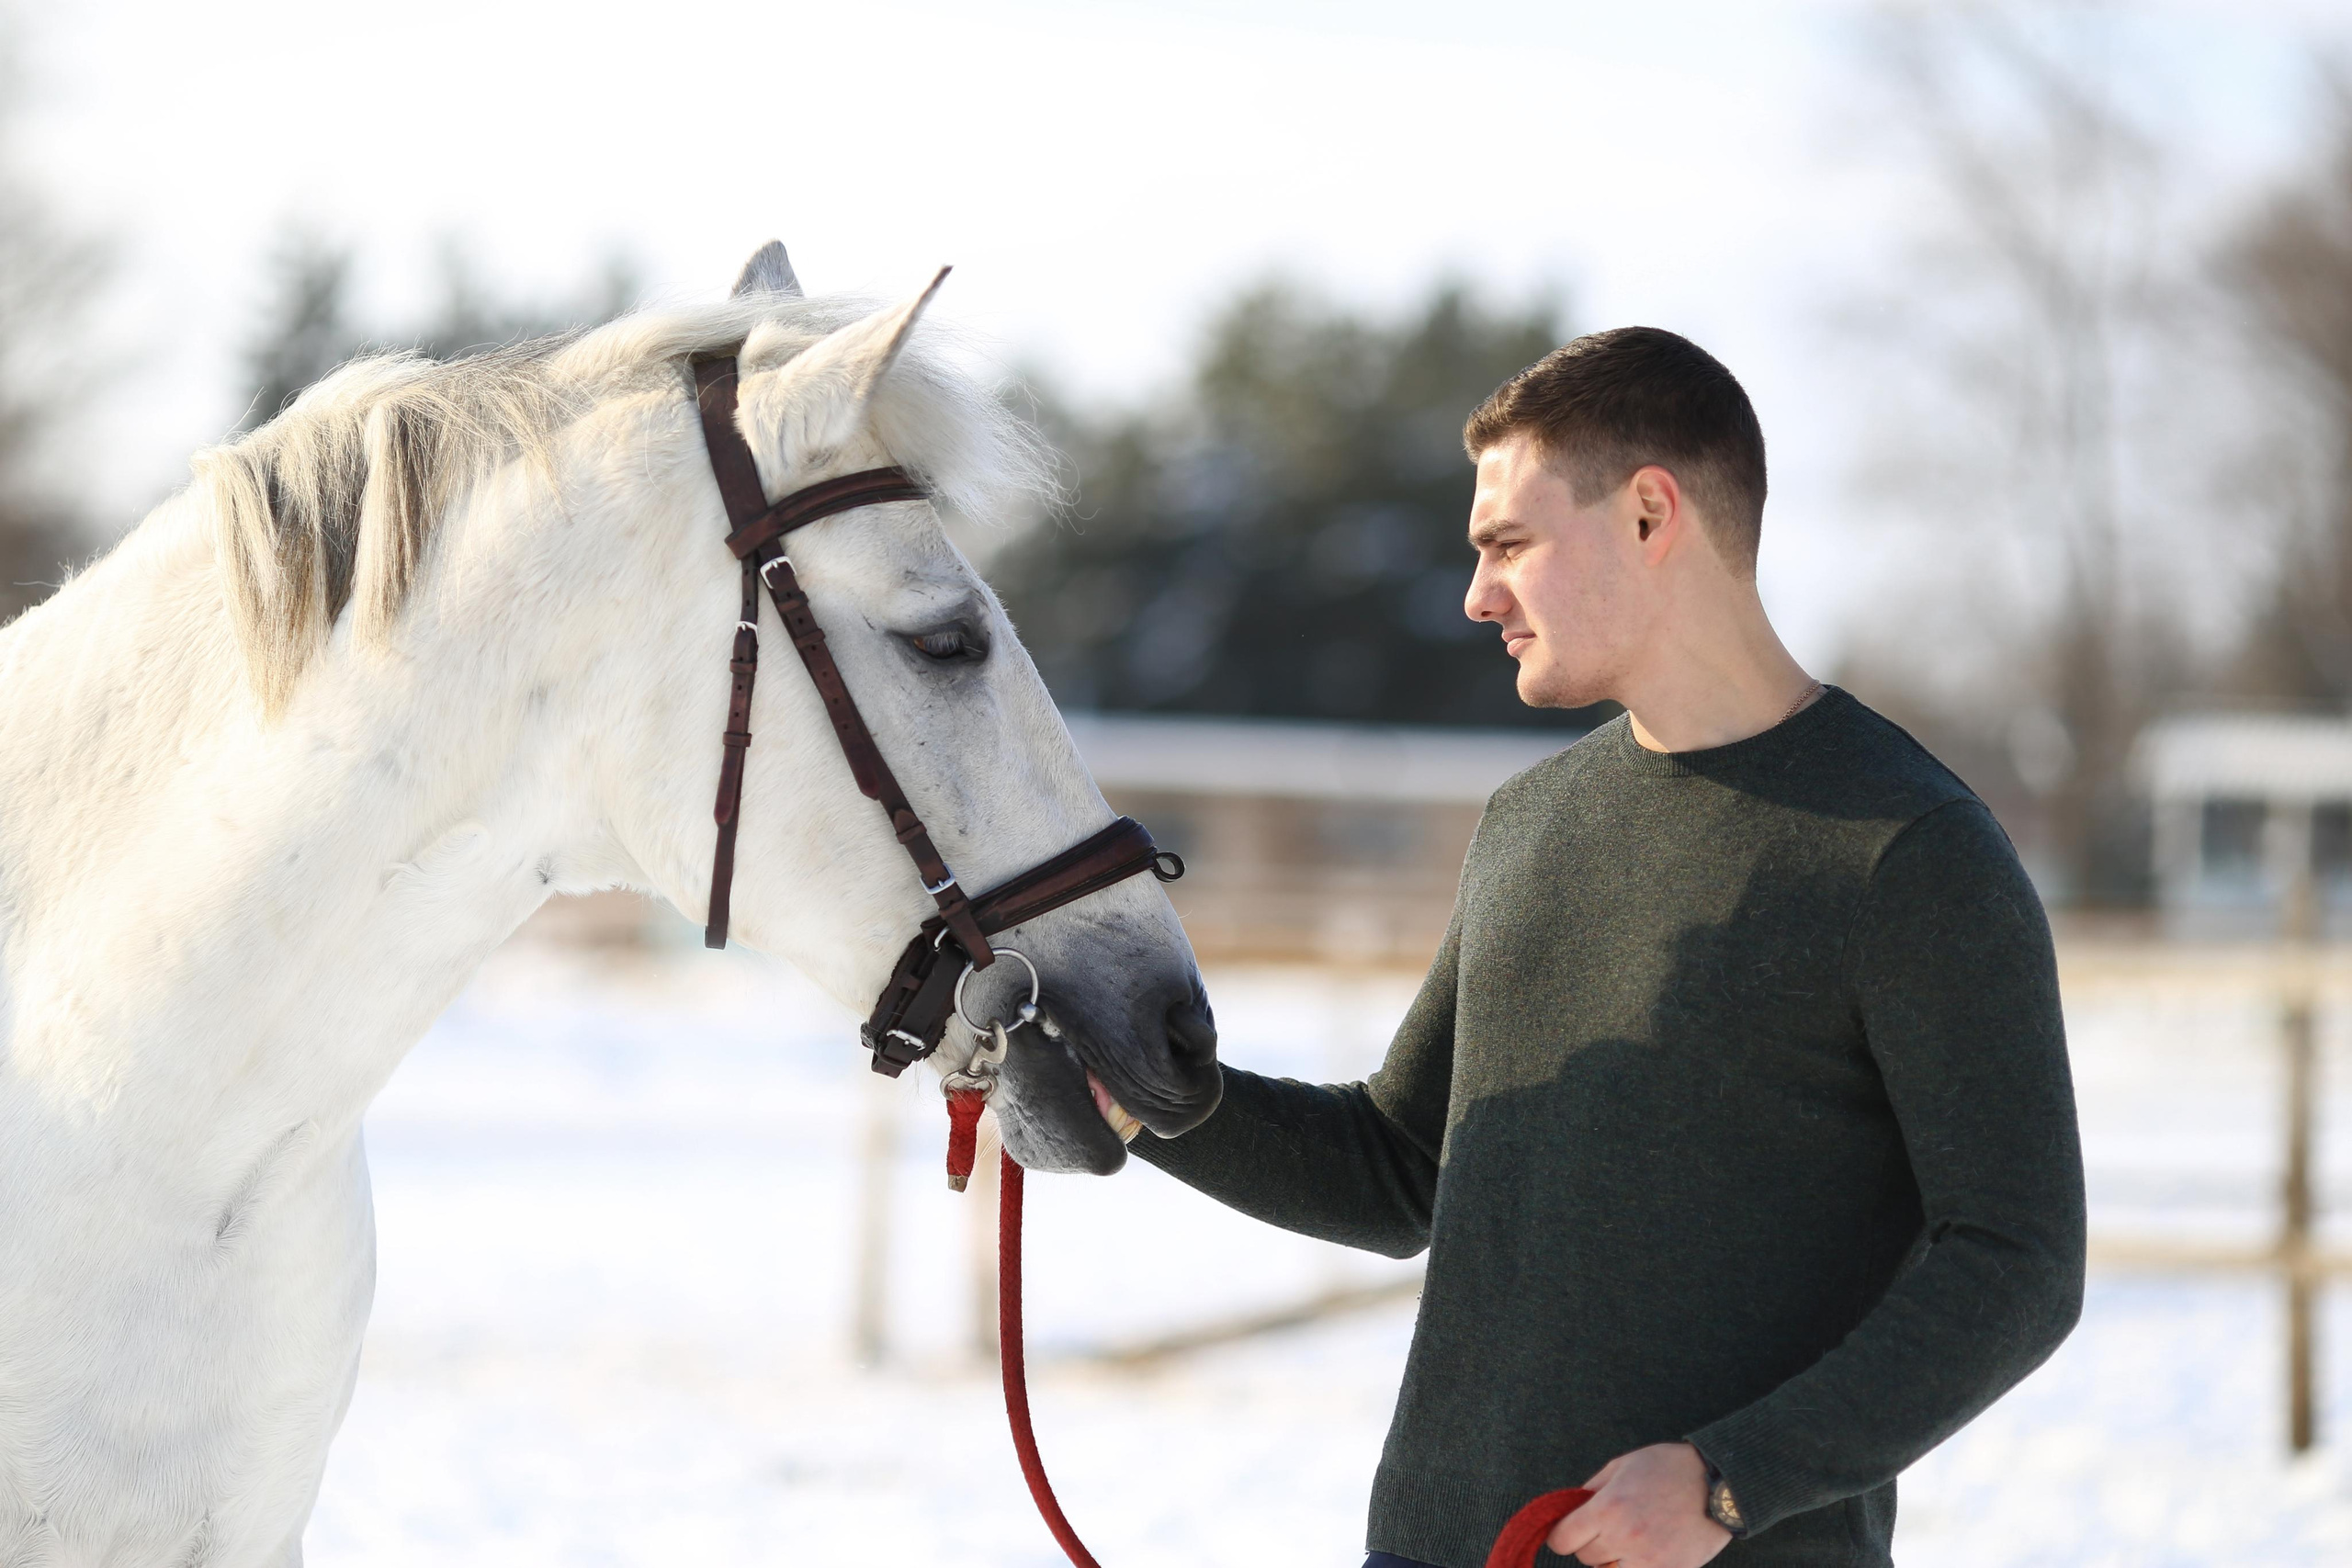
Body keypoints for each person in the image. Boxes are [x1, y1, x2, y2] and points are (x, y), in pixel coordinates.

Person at [1128, 327, 2086, 1568]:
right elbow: (1400, 1168)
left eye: (1508, 545)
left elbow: (2018, 1258)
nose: (1478, 596)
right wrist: (1140, 1095)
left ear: (1648, 515)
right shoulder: (1529, 823)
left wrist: (1731, 1482)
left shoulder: (1909, 851)